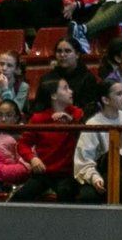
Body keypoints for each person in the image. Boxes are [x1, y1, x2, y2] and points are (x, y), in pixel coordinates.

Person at [74, 78, 122, 203]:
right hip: (101, 173)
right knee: (88, 196)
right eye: (119, 94)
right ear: (105, 100)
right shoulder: (93, 124)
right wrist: (95, 178)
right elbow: (84, 159)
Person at [11, 74, 82, 203]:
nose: (71, 91)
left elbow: (83, 137)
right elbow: (22, 144)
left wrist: (72, 123)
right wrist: (32, 158)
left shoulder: (77, 114)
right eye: (65, 88)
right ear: (54, 96)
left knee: (65, 192)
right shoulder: (38, 119)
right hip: (44, 173)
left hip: (67, 174)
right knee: (20, 197)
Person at [45, 36, 102, 115]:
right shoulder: (47, 78)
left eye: (67, 51)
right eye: (59, 51)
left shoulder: (88, 79)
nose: (62, 55)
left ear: (77, 55)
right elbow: (39, 106)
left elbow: (88, 109)